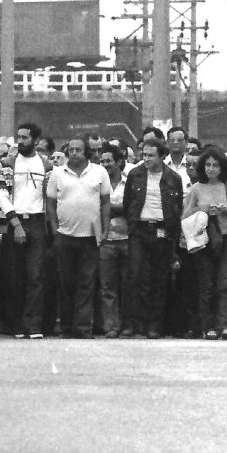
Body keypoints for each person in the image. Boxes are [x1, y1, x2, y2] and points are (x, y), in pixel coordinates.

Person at [45, 138, 111, 338]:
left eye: (78, 150)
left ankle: (82, 328)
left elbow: (106, 202)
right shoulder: (57, 174)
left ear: (87, 152)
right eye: (71, 150)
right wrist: (55, 231)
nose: (74, 153)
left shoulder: (100, 172)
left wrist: (106, 229)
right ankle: (66, 327)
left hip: (90, 237)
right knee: (66, 284)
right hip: (64, 236)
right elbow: (50, 204)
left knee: (87, 283)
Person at [121, 138, 184, 339]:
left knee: (159, 278)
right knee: (135, 276)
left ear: (162, 156)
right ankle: (132, 324)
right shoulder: (135, 174)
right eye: (144, 155)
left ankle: (155, 325)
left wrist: (172, 236)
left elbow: (177, 208)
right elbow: (127, 203)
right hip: (139, 230)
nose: (145, 159)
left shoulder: (173, 178)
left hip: (162, 231)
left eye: (150, 155)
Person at [183, 146, 227, 339]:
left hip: (225, 237)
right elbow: (184, 215)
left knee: (225, 283)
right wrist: (202, 209)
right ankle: (208, 326)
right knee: (206, 284)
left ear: (222, 167)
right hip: (204, 240)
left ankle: (225, 325)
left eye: (216, 165)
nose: (211, 169)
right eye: (208, 165)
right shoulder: (196, 188)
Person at [0, 122, 51, 339]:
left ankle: (34, 324)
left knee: (36, 276)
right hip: (15, 222)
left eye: (25, 138)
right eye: (18, 137)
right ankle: (17, 325)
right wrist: (16, 223)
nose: (20, 141)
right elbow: (2, 194)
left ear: (36, 141)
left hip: (38, 222)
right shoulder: (7, 163)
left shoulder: (47, 165)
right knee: (14, 276)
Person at [98, 145, 129, 338]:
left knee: (127, 285)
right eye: (102, 161)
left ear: (118, 162)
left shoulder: (131, 181)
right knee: (107, 286)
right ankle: (111, 326)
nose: (105, 165)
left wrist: (107, 207)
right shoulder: (97, 182)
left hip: (127, 239)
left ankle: (127, 325)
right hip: (105, 240)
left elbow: (132, 207)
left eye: (109, 161)